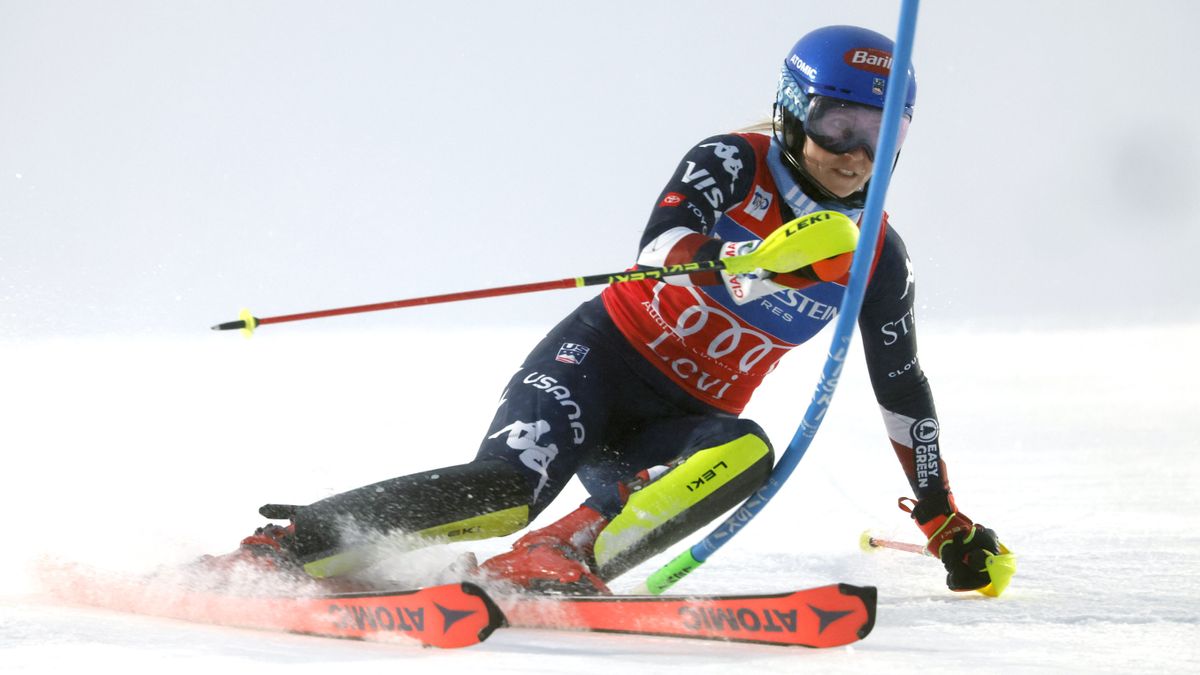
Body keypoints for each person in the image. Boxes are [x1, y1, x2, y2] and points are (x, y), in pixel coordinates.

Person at [225, 25, 1006, 595]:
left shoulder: (879, 255)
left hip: (681, 420)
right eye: (839, 124)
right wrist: (743, 260)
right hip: (599, 362)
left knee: (743, 452)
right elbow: (660, 243)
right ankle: (292, 546)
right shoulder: (735, 159)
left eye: (880, 135)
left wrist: (942, 518)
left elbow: (902, 389)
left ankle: (558, 557)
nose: (855, 155)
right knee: (504, 491)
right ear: (796, 109)